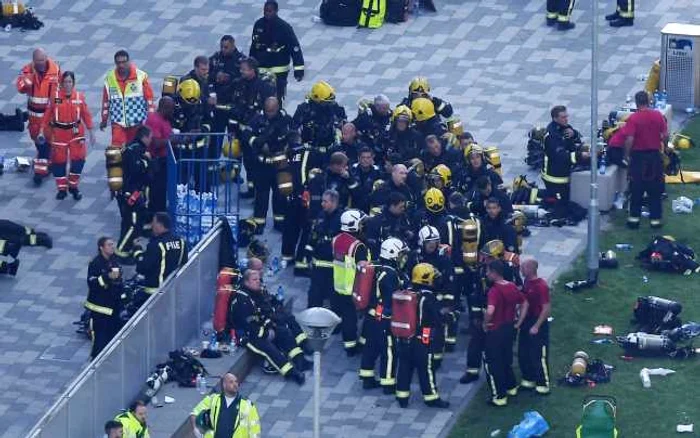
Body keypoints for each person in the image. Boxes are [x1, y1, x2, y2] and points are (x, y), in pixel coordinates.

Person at [229, 270, 306, 384]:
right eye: (254, 280)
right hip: (247, 335)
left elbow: (265, 311)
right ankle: (291, 373)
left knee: (284, 332)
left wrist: (270, 326)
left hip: (261, 327)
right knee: (268, 348)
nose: (258, 282)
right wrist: (266, 333)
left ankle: (299, 360)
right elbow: (249, 326)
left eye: (259, 279)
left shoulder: (256, 292)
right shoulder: (242, 300)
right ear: (246, 282)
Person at [395, 263, 451, 409]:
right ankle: (431, 398)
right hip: (422, 342)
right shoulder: (428, 297)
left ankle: (402, 398)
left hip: (404, 339)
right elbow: (438, 319)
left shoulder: (406, 291)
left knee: (404, 368)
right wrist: (451, 316)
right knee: (426, 370)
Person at [359, 237, 409, 393]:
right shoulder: (391, 274)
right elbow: (392, 298)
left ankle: (366, 378)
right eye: (401, 255)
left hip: (371, 316)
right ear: (392, 254)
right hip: (383, 319)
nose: (403, 258)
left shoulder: (376, 266)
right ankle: (388, 384)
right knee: (389, 350)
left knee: (370, 347)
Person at [40, 71, 95, 200]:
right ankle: (62, 189)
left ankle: (73, 186)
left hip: (76, 132)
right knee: (58, 162)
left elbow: (86, 114)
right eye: (65, 82)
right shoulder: (55, 97)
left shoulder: (79, 97)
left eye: (70, 81)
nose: (67, 84)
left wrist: (91, 131)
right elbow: (48, 114)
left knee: (79, 160)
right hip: (59, 133)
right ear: (61, 83)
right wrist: (42, 130)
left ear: (73, 83)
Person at [100, 50, 155, 173]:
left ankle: (133, 173)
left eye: (124, 62)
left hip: (136, 122)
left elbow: (150, 100)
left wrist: (150, 119)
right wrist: (104, 119)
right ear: (115, 63)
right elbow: (106, 101)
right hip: (118, 122)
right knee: (115, 150)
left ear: (128, 61)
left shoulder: (141, 77)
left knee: (135, 149)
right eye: (118, 62)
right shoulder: (109, 79)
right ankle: (115, 178)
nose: (121, 65)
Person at [482, 260, 528, 407]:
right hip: (509, 328)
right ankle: (511, 387)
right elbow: (524, 302)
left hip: (495, 330)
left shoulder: (494, 291)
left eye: (488, 271)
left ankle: (499, 396)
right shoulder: (512, 286)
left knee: (493, 363)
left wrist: (485, 323)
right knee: (506, 359)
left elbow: (490, 311)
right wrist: (519, 322)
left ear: (495, 273)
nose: (487, 274)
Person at [230, 57, 277, 198]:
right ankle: (251, 190)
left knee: (254, 162)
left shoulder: (264, 88)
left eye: (244, 69)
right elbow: (234, 108)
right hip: (240, 130)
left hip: (255, 134)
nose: (241, 72)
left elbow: (268, 111)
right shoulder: (239, 84)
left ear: (252, 70)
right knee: (247, 163)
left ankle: (257, 190)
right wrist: (232, 131)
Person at [624, 90, 668, 229]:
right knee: (655, 190)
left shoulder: (633, 119)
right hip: (654, 157)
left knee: (636, 189)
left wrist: (627, 155)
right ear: (649, 101)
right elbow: (665, 135)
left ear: (636, 103)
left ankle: (634, 220)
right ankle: (655, 221)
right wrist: (664, 148)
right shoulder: (657, 115)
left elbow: (630, 139)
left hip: (638, 158)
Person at [16, 48, 61, 185]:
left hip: (49, 116)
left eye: (42, 60)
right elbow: (20, 88)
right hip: (34, 116)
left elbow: (60, 92)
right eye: (37, 61)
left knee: (46, 144)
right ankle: (47, 163)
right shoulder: (27, 70)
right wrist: (26, 81)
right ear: (33, 61)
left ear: (46, 58)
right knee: (39, 141)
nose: (40, 63)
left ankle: (41, 172)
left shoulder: (55, 71)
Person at [247, 96, 291, 231]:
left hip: (280, 166)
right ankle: (259, 224)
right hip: (262, 165)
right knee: (261, 196)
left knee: (280, 196)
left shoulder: (285, 120)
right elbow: (247, 135)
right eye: (267, 110)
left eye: (272, 111)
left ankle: (280, 223)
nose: (269, 113)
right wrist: (258, 142)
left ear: (277, 108)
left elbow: (292, 137)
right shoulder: (257, 119)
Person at [249, 0, 305, 101]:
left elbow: (295, 48)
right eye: (265, 10)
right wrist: (250, 64)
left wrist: (298, 70)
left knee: (276, 97)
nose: (267, 13)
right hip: (261, 67)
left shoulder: (284, 27)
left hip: (279, 70)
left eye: (270, 11)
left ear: (276, 11)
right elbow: (254, 46)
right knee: (259, 96)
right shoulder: (258, 25)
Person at [332, 209, 370, 356]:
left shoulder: (336, 239)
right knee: (350, 319)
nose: (362, 227)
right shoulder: (357, 246)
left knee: (338, 311)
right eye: (360, 224)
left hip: (337, 284)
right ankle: (350, 346)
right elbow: (364, 267)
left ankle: (335, 329)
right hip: (352, 287)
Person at [541, 105, 589, 220]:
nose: (566, 119)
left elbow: (576, 138)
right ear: (555, 118)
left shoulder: (564, 127)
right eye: (563, 117)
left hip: (563, 172)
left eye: (566, 116)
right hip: (554, 176)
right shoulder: (552, 136)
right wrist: (580, 156)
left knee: (565, 197)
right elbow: (561, 157)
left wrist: (574, 133)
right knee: (561, 205)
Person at [115, 125, 152, 261]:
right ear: (145, 137)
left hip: (129, 192)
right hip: (130, 193)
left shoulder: (132, 146)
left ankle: (128, 248)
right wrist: (147, 160)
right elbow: (137, 170)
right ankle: (122, 252)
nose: (151, 141)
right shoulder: (136, 150)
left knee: (130, 222)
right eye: (150, 138)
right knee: (131, 224)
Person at [190, 373, 261, 438]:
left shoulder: (247, 405)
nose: (235, 384)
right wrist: (195, 428)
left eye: (236, 381)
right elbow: (194, 412)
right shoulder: (213, 399)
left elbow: (255, 429)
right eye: (231, 382)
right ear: (224, 385)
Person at [86, 237, 123, 360]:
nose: (112, 247)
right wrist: (107, 277)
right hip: (100, 309)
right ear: (101, 247)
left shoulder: (114, 260)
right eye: (109, 245)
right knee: (99, 339)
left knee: (112, 336)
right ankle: (95, 360)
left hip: (113, 307)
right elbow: (92, 283)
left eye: (113, 244)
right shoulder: (96, 263)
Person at [518, 258, 551, 395]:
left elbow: (546, 308)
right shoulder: (526, 282)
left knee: (538, 354)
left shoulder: (541, 286)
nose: (521, 269)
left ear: (531, 269)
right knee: (524, 352)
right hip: (527, 321)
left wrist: (537, 326)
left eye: (524, 267)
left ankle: (543, 384)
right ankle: (528, 379)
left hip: (537, 322)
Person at [135, 212, 188, 295]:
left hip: (154, 293)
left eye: (153, 222)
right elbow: (184, 262)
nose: (152, 225)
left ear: (160, 225)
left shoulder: (156, 245)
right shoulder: (181, 241)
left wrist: (137, 251)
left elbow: (142, 268)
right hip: (174, 289)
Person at [306, 190, 342, 307]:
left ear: (334, 202)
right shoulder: (321, 215)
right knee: (314, 298)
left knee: (333, 300)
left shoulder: (341, 220)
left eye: (325, 201)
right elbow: (313, 236)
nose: (322, 204)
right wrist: (308, 255)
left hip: (334, 269)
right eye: (322, 201)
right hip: (317, 268)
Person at [209, 35, 246, 135]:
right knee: (216, 135)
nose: (223, 50)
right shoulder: (215, 58)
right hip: (219, 105)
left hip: (234, 106)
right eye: (221, 47)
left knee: (234, 136)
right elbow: (207, 74)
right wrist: (216, 76)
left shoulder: (242, 61)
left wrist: (230, 78)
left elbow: (245, 79)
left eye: (226, 47)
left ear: (233, 46)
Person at [144, 96, 175, 213]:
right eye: (171, 109)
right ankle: (155, 216)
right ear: (165, 108)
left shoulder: (165, 119)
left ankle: (160, 213)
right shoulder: (155, 120)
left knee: (162, 191)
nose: (173, 112)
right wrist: (174, 140)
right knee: (157, 192)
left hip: (164, 161)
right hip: (157, 162)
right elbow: (156, 142)